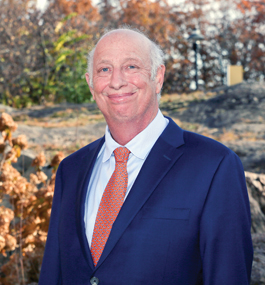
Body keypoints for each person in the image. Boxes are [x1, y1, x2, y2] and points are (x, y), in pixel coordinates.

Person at [39, 28, 253, 285]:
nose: (116, 81)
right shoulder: (70, 170)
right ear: (90, 84)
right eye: (104, 70)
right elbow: (54, 274)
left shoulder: (214, 166)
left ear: (158, 76)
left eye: (131, 66)